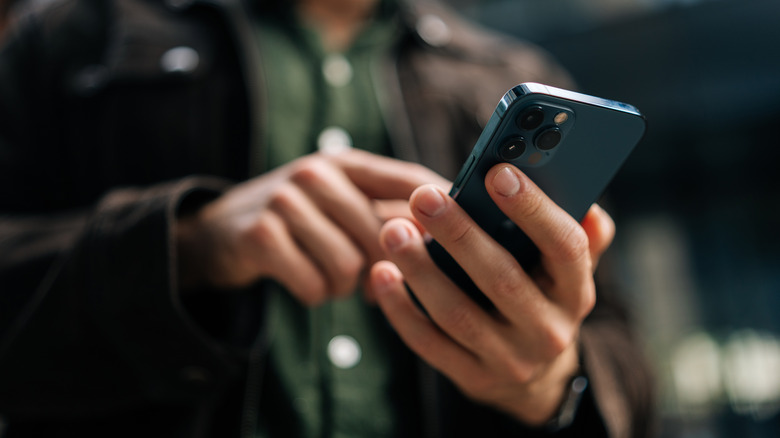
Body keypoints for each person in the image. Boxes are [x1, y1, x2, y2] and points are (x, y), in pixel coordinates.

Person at [0, 0, 654, 436]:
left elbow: (629, 369)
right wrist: (193, 244)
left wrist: (548, 385)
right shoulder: (71, 39)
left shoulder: (507, 74)